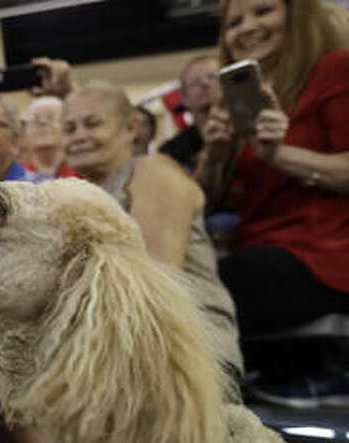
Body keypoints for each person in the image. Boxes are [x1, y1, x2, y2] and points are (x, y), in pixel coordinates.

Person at [62, 79, 244, 380]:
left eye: (93, 124)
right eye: (69, 129)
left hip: (186, 357)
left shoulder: (152, 170)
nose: (80, 136)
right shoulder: (83, 195)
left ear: (131, 128)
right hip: (113, 353)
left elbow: (154, 288)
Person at [195, 0, 349, 338]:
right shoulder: (238, 100)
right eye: (234, 22)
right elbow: (203, 202)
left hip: (323, 258)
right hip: (255, 250)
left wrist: (278, 155)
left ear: (298, 16)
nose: (246, 27)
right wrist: (215, 155)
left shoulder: (336, 68)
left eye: (263, 11)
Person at [160, 54, 221, 171]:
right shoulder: (171, 152)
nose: (204, 83)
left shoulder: (250, 133)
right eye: (195, 82)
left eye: (212, 77)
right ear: (183, 97)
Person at [20, 96, 75, 177]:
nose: (42, 122)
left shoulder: (83, 171)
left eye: (51, 117)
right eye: (35, 119)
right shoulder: (14, 178)